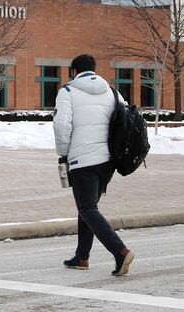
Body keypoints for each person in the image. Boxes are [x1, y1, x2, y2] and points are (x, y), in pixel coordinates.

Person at [53, 54, 135, 276]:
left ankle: (120, 251)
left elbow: (61, 126)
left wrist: (63, 153)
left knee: (87, 208)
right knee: (88, 207)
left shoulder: (67, 92)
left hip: (82, 160)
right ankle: (82, 257)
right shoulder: (111, 91)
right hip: (107, 161)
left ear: (73, 71)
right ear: (94, 69)